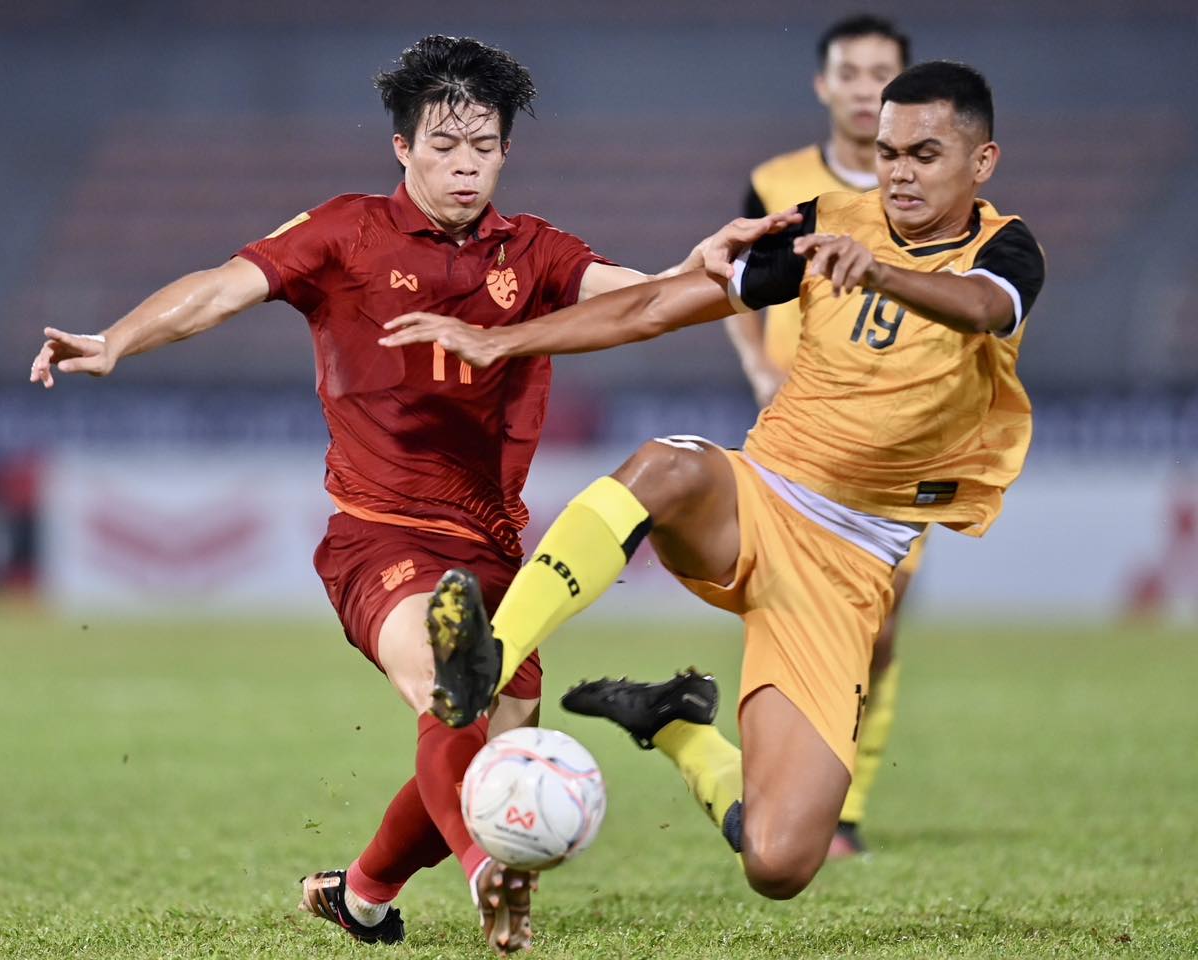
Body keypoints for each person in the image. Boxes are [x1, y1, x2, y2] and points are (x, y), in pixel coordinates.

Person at [27, 35, 761, 955]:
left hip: (495, 548)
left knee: (483, 739)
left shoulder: (532, 252)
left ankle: (361, 895)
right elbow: (222, 288)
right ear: (403, 148)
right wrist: (118, 339)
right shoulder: (345, 233)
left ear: (505, 152)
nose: (465, 165)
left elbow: (644, 299)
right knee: (452, 690)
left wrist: (712, 270)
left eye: (483, 146)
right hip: (379, 536)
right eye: (444, 145)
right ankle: (488, 875)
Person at [381, 60, 1044, 901]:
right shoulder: (823, 225)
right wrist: (505, 341)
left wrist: (876, 272)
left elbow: (985, 307)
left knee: (777, 862)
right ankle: (489, 661)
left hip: (848, 568)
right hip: (759, 500)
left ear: (981, 163)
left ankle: (677, 727)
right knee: (667, 465)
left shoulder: (1006, 249)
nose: (900, 174)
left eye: (925, 154)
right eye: (886, 154)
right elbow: (660, 304)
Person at [729, 13, 913, 859]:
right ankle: (774, 797)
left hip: (884, 443)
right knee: (777, 614)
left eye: (884, 72)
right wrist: (759, 369)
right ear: (824, 84)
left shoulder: (917, 195)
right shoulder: (776, 183)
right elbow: (731, 287)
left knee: (876, 627)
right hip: (789, 433)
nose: (867, 85)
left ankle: (844, 808)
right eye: (852, 71)